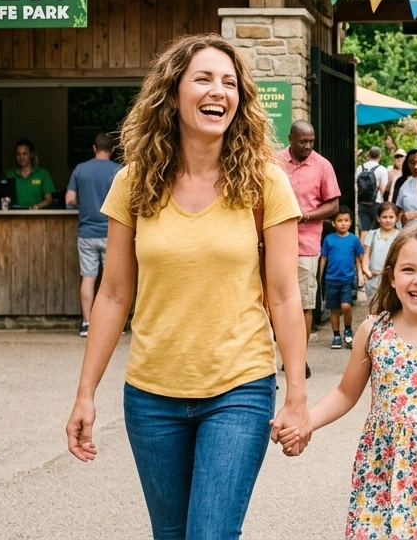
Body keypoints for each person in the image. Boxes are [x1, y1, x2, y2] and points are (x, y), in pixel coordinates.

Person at [65, 34, 311, 540]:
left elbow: (285, 295)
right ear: (173, 92)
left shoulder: (265, 183)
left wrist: (297, 394)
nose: (217, 90)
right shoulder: (132, 182)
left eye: (229, 82)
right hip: (151, 396)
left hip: (239, 389)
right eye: (203, 78)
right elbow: (113, 294)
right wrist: (85, 393)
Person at [279, 223, 417, 539]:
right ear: (392, 277)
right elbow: (344, 393)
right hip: (381, 468)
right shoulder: (373, 331)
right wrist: (306, 422)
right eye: (408, 269)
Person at [281, 120, 341, 349]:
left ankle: (298, 357)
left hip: (306, 246)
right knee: (271, 303)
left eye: (311, 141)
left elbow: (334, 205)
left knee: (303, 304)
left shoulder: (322, 165)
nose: (307, 146)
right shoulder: (274, 162)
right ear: (290, 139)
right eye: (303, 141)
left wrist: (306, 216)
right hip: (274, 243)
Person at [65, 132, 123, 338]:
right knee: (113, 280)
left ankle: (86, 323)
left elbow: (70, 198)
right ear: (113, 149)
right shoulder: (119, 170)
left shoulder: (81, 169)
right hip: (113, 234)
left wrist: (82, 203)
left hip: (87, 233)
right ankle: (114, 325)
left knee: (88, 278)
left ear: (93, 148)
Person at [320, 209, 365, 350]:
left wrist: (361, 274)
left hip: (347, 279)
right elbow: (323, 258)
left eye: (346, 220)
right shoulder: (329, 239)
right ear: (333, 223)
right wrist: (319, 278)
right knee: (334, 309)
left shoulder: (354, 239)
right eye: (340, 221)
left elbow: (359, 258)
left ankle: (348, 329)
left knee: (346, 306)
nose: (343, 223)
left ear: (351, 222)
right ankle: (336, 336)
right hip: (331, 279)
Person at [361, 202, 400, 300]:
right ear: (378, 218)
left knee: (391, 308)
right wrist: (366, 270)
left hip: (393, 279)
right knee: (375, 310)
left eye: (391, 217)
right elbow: (366, 254)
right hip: (374, 278)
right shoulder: (372, 234)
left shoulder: (399, 236)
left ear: (397, 218)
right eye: (384, 217)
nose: (388, 220)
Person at [6, 138, 55, 210]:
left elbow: (49, 199)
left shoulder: (43, 174)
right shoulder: (10, 174)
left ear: (31, 154)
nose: (21, 157)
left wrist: (37, 206)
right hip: (15, 216)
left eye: (25, 154)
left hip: (36, 216)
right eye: (18, 154)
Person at [355, 146, 388, 240]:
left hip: (362, 203)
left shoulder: (360, 168)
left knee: (364, 230)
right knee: (378, 230)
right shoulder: (382, 169)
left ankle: (362, 254)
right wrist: (384, 202)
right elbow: (383, 188)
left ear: (368, 155)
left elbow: (356, 184)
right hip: (376, 203)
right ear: (379, 156)